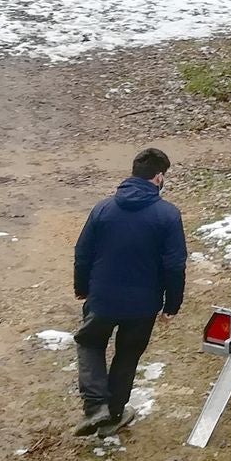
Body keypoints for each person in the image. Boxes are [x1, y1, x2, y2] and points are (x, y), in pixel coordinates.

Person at [72, 148, 187, 438]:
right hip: (143, 305)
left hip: (102, 297)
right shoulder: (168, 215)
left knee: (90, 342)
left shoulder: (103, 208)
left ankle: (96, 404)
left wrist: (82, 287)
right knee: (127, 354)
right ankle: (112, 415)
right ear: (159, 177)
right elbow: (175, 265)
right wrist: (172, 305)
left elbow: (82, 253)